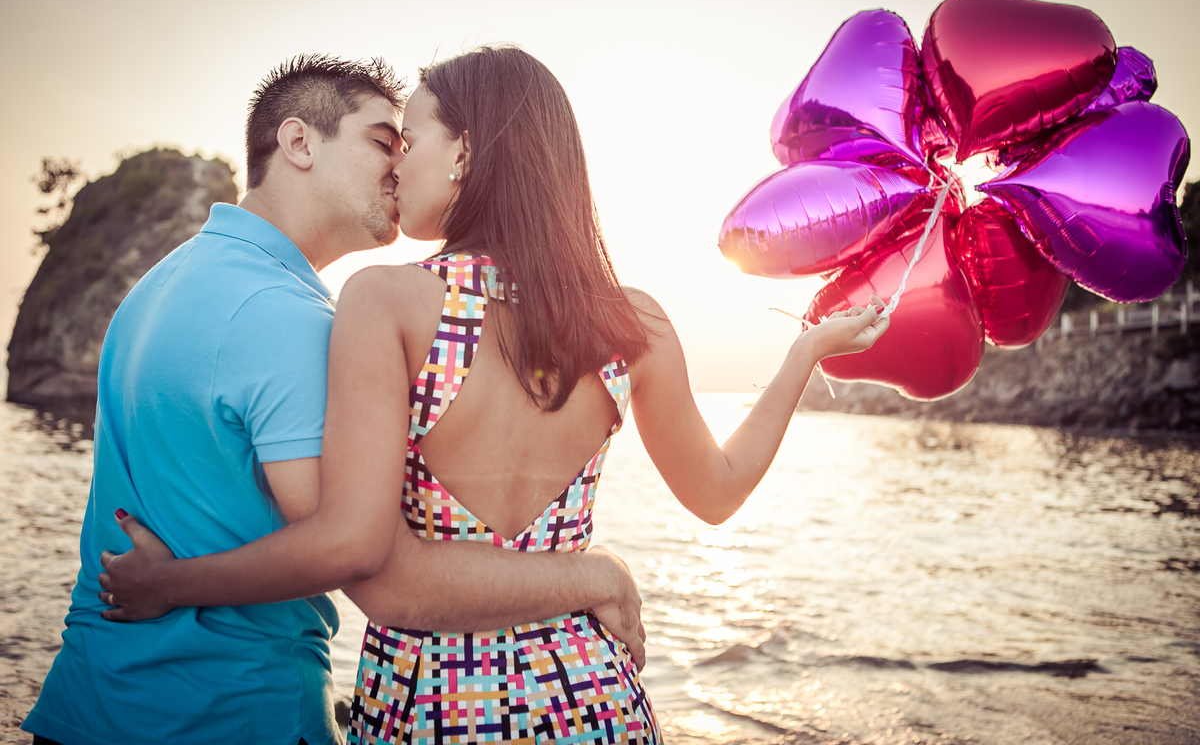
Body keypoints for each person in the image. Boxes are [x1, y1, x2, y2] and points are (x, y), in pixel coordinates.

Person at [98, 46, 889, 744]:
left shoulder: (387, 302)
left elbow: (367, 559)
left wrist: (170, 583)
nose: (395, 165)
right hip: (592, 698)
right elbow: (717, 496)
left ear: (465, 154)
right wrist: (804, 355)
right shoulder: (634, 321)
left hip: (434, 702)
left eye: (410, 139)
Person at [22, 55, 645, 745]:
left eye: (408, 144)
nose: (399, 165)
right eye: (384, 140)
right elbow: (368, 560)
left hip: (87, 702)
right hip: (227, 713)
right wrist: (598, 576)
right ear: (299, 144)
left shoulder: (155, 290)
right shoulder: (289, 318)